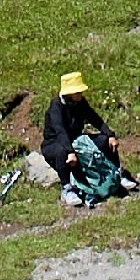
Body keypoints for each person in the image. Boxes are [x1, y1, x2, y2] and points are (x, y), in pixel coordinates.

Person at [42, 71, 131, 208]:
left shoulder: (80, 102)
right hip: (54, 143)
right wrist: (70, 152)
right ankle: (67, 188)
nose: (80, 95)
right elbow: (60, 132)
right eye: (77, 92)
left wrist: (110, 134)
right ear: (69, 93)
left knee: (103, 141)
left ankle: (118, 173)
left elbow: (94, 118)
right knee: (61, 151)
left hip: (77, 139)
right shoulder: (56, 107)